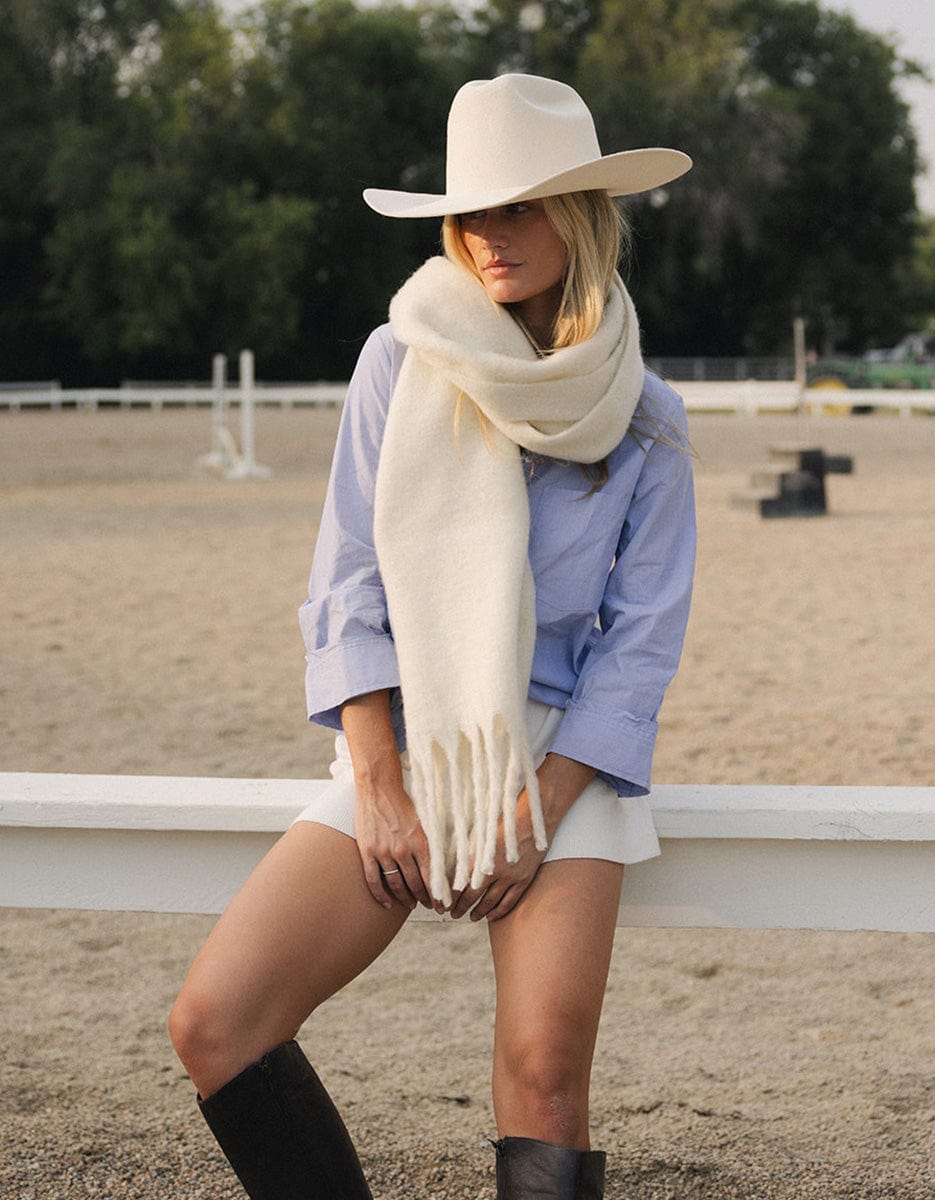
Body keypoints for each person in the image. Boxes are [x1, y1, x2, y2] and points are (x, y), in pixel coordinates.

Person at [169, 73, 696, 1200]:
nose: (488, 236)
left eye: (517, 207)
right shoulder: (398, 361)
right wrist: (382, 780)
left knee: (543, 1077)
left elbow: (640, 642)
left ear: (581, 216)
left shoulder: (646, 415)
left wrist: (535, 807)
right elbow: (350, 583)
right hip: (410, 739)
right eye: (471, 213)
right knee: (214, 1020)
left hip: (563, 762)